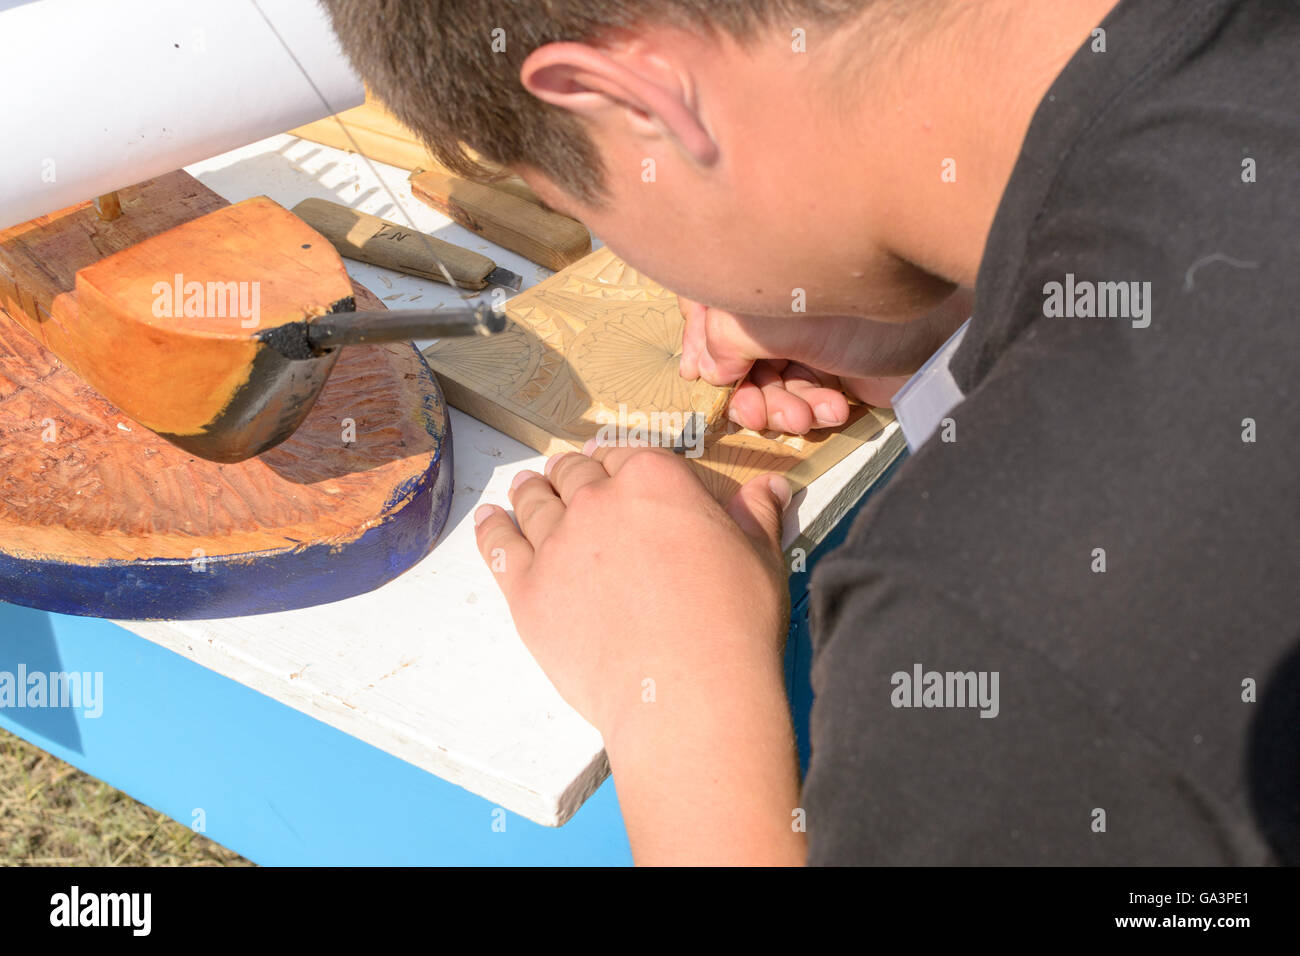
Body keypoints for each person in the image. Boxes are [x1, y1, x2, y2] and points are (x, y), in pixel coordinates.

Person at [321, 0, 1300, 865]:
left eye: (564, 194)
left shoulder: (995, 623)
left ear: (633, 98)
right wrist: (981, 319)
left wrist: (686, 692)